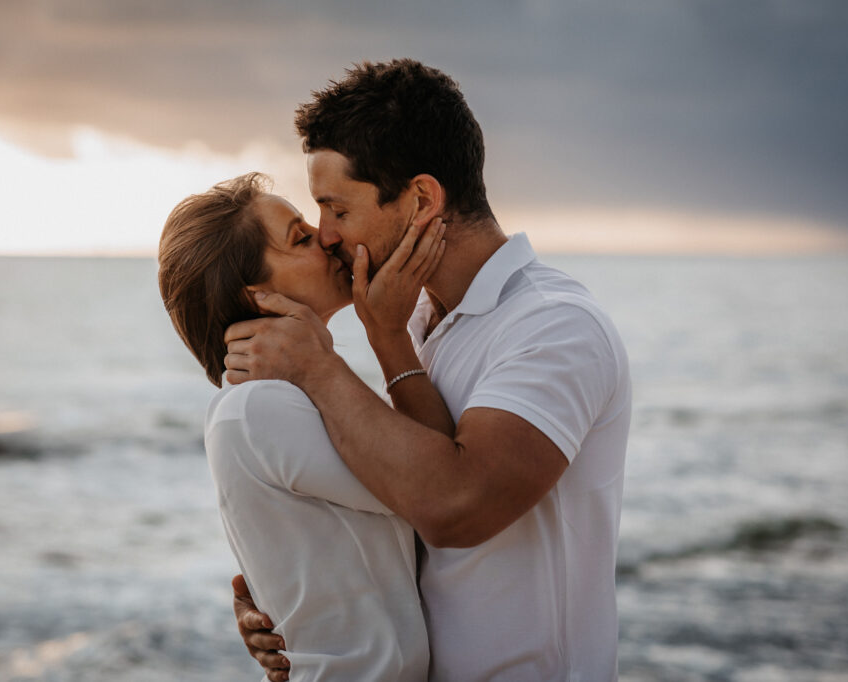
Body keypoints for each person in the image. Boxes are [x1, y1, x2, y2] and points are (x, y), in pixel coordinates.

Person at [224, 59, 632, 681]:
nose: (327, 235)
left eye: (336, 208)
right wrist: (295, 595)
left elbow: (455, 508)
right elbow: (399, 505)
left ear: (420, 200)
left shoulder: (554, 327)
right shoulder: (412, 323)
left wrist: (322, 367)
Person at [157, 171, 451, 681]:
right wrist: (384, 332)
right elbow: (434, 487)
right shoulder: (261, 408)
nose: (327, 237)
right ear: (257, 297)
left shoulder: (289, 398)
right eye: (300, 237)